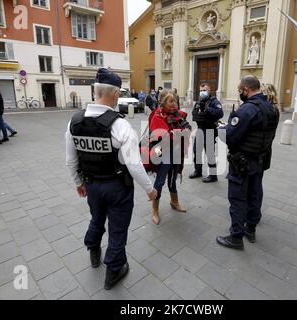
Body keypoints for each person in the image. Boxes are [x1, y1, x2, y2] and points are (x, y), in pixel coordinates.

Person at [65, 68, 157, 290]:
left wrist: (78, 183)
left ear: (95, 91)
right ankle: (113, 271)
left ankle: (94, 251)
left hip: (92, 185)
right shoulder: (120, 126)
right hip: (117, 187)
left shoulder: (74, 122)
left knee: (96, 219)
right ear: (116, 94)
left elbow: (71, 160)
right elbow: (134, 165)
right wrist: (150, 189)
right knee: (117, 229)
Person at [216, 75, 279, 250]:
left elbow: (231, 137)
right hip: (260, 160)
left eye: (240, 90)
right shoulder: (272, 108)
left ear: (246, 89)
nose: (240, 93)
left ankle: (236, 237)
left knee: (237, 198)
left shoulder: (247, 109)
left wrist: (224, 129)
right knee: (254, 194)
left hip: (242, 162)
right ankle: (250, 229)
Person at [149, 89, 192, 225]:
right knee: (160, 182)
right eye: (171, 101)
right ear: (162, 103)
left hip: (176, 152)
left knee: (173, 179)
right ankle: (155, 209)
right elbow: (165, 136)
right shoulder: (157, 116)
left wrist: (183, 131)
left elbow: (186, 131)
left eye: (175, 101)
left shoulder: (178, 115)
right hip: (164, 154)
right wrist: (179, 132)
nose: (175, 104)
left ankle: (174, 202)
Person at [190, 83, 224, 183]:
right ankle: (198, 171)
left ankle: (213, 175)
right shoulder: (199, 102)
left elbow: (220, 113)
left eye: (204, 90)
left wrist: (207, 109)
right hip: (200, 129)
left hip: (209, 130)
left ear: (209, 91)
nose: (202, 92)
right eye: (201, 90)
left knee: (209, 153)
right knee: (196, 151)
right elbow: (194, 113)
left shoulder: (214, 101)